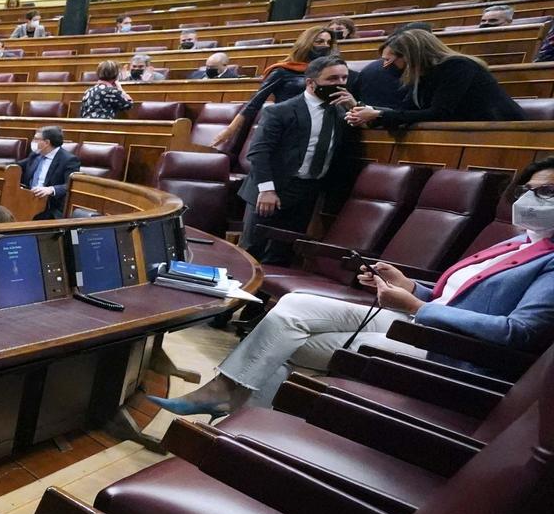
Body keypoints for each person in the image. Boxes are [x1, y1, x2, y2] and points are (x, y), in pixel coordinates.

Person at [156, 157, 554, 416]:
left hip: (446, 349)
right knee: (294, 308)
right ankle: (231, 404)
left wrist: (416, 308)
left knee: (283, 343)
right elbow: (456, 295)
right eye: (527, 190)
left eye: (547, 192)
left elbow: (518, 333)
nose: (532, 199)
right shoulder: (519, 241)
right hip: (420, 319)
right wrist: (409, 285)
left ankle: (234, 419)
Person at [236, 55, 360, 260]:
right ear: (311, 82)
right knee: (252, 253)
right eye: (332, 79)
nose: (340, 84)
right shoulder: (280, 111)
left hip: (307, 192)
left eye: (344, 78)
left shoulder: (341, 112)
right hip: (270, 190)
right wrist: (267, 190)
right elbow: (258, 152)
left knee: (283, 254)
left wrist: (355, 107)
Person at [345, 27, 524, 129]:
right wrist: (369, 115)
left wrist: (379, 114)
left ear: (409, 56)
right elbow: (406, 110)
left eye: (390, 60)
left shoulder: (457, 66)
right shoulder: (421, 75)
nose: (385, 66)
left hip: (500, 130)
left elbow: (440, 112)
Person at [209, 23, 339, 152]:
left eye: (328, 43)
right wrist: (230, 130)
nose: (325, 46)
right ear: (306, 43)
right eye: (320, 41)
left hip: (315, 130)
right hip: (284, 127)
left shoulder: (327, 73)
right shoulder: (282, 70)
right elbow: (254, 103)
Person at [19, 125, 81, 219]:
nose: (33, 142)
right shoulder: (35, 155)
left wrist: (51, 189)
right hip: (28, 200)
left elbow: (70, 185)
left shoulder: (69, 160)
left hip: (50, 206)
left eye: (36, 139)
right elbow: (15, 166)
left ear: (47, 142)